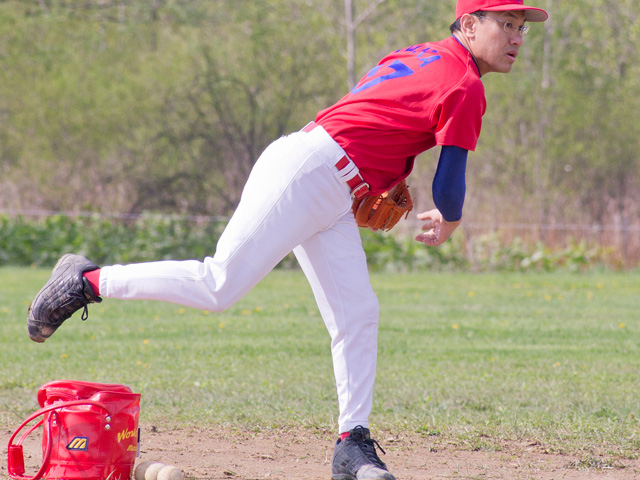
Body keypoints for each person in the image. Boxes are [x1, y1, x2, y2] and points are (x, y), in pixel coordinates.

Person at [27, 1, 548, 479]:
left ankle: (352, 445)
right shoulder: (466, 83)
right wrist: (451, 218)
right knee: (218, 284)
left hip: (329, 182)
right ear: (468, 24)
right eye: (505, 23)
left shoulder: (423, 54)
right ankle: (87, 280)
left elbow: (373, 110)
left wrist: (385, 171)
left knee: (358, 313)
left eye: (521, 28)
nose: (516, 36)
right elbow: (450, 183)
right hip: (308, 175)